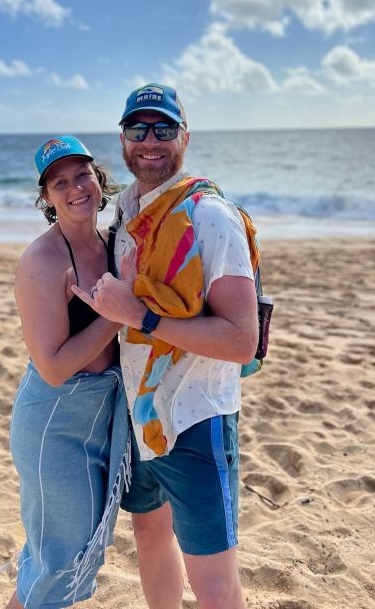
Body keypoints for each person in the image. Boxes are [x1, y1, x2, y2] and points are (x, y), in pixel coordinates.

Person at [72, 85, 259, 609]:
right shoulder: (127, 212)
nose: (150, 140)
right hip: (140, 413)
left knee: (214, 581)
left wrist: (140, 315)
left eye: (164, 128)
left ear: (185, 138)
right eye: (138, 129)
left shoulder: (210, 216)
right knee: (150, 535)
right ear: (123, 141)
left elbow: (242, 340)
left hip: (196, 417)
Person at [7, 136, 130, 609]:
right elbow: (54, 367)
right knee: (57, 558)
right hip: (54, 422)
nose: (75, 187)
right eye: (60, 183)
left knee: (71, 552)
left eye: (82, 174)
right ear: (47, 198)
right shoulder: (43, 261)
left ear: (98, 179)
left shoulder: (116, 244)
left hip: (105, 413)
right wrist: (120, 314)